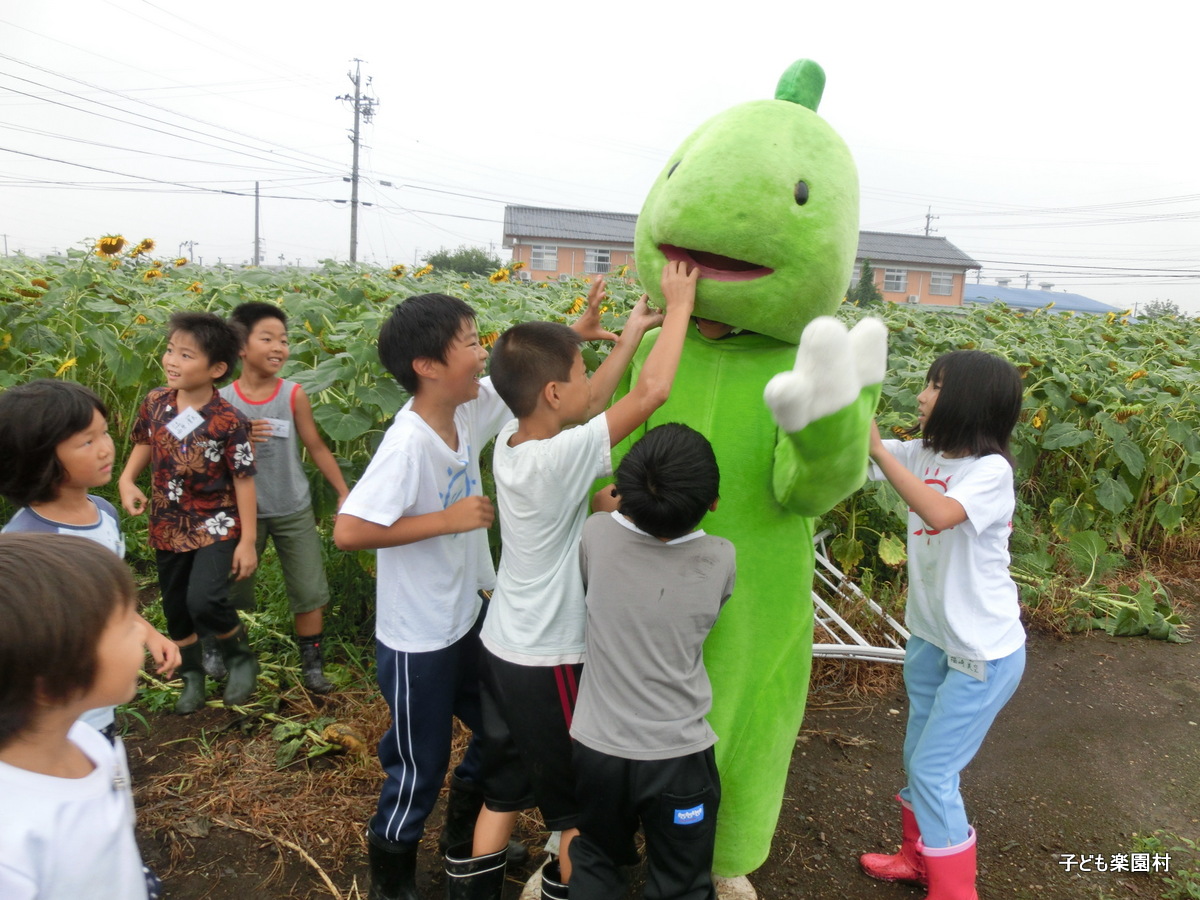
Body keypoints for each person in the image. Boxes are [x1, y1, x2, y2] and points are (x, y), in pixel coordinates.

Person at [333, 287, 615, 900]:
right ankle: (394, 880)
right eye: (468, 343)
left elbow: (530, 378)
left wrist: (574, 335)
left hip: (469, 619)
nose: (481, 351)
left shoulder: (465, 408)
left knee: (495, 733)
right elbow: (349, 530)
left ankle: (463, 841)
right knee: (418, 765)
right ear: (427, 366)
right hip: (417, 640)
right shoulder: (408, 442)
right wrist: (447, 519)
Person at [446, 261, 698, 900]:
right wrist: (680, 305)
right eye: (581, 371)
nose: (590, 381)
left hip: (501, 645)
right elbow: (651, 396)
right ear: (554, 394)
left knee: (503, 788)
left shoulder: (511, 438)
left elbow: (585, 402)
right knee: (578, 812)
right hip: (547, 657)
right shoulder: (561, 457)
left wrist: (631, 335)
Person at [858, 350, 1025, 900]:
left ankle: (956, 892)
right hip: (931, 637)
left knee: (933, 769)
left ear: (968, 401)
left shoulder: (990, 472)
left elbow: (939, 513)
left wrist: (880, 449)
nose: (922, 396)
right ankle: (917, 858)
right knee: (916, 757)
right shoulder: (921, 452)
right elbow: (855, 461)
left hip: (983, 651)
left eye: (934, 387)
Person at [568, 423, 735, 900]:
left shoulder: (596, 535)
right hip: (678, 759)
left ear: (624, 491)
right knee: (681, 881)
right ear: (713, 503)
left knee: (596, 858)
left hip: (597, 751)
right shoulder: (721, 557)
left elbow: (604, 509)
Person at [0, 379, 180, 739]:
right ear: (40, 458)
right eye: (87, 441)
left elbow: (105, 598)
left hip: (100, 704)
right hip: (52, 721)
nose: (105, 449)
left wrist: (149, 633)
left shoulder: (103, 512)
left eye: (104, 433)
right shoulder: (25, 548)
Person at [0, 532, 162, 900]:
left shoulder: (89, 743)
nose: (142, 631)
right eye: (125, 626)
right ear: (51, 683)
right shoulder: (10, 844)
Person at [118, 311, 259, 715]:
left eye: (185, 355)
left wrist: (247, 541)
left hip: (217, 523)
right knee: (176, 606)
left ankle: (240, 659)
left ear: (216, 369)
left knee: (205, 599)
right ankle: (192, 678)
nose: (171, 361)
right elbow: (146, 441)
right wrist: (128, 479)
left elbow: (245, 480)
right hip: (167, 522)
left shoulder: (230, 420)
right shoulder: (157, 402)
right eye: (170, 350)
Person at [220, 301, 350, 694]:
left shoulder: (293, 395)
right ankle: (221, 647)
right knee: (229, 585)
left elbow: (317, 446)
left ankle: (312, 664)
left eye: (284, 340)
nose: (279, 347)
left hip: (293, 504)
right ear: (241, 346)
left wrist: (344, 492)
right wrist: (238, 438)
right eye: (268, 339)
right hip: (242, 512)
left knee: (309, 588)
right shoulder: (222, 400)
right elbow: (206, 457)